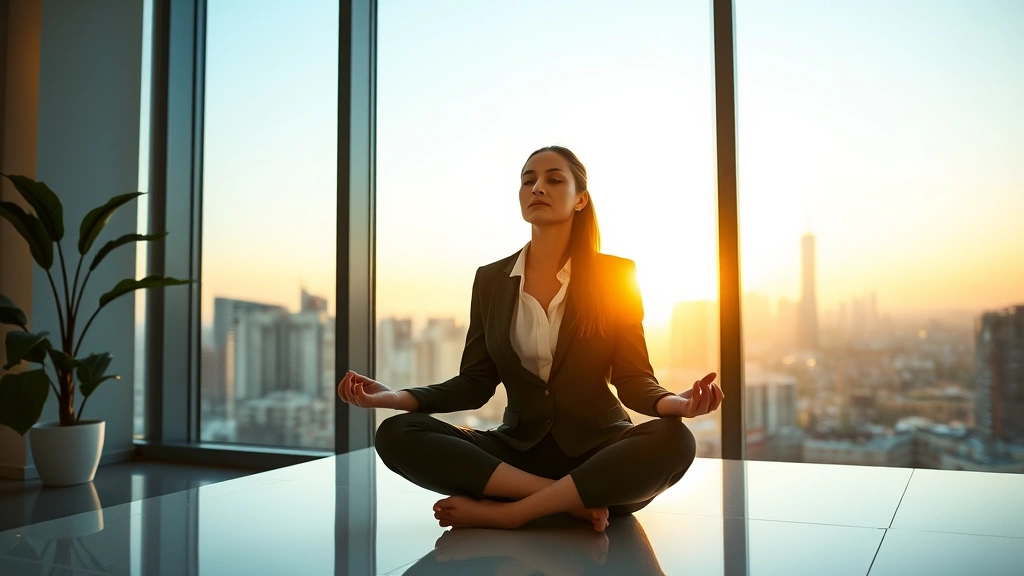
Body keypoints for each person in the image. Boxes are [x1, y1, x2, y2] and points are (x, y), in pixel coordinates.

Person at [338, 145, 724, 532]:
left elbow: (633, 379)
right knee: (396, 433)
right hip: (517, 453)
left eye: (554, 179)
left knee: (676, 441)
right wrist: (395, 397)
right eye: (528, 180)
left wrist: (677, 404)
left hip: (599, 451)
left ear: (580, 199)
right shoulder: (490, 279)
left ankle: (513, 512)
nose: (537, 187)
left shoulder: (615, 276)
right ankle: (566, 501)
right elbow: (474, 384)